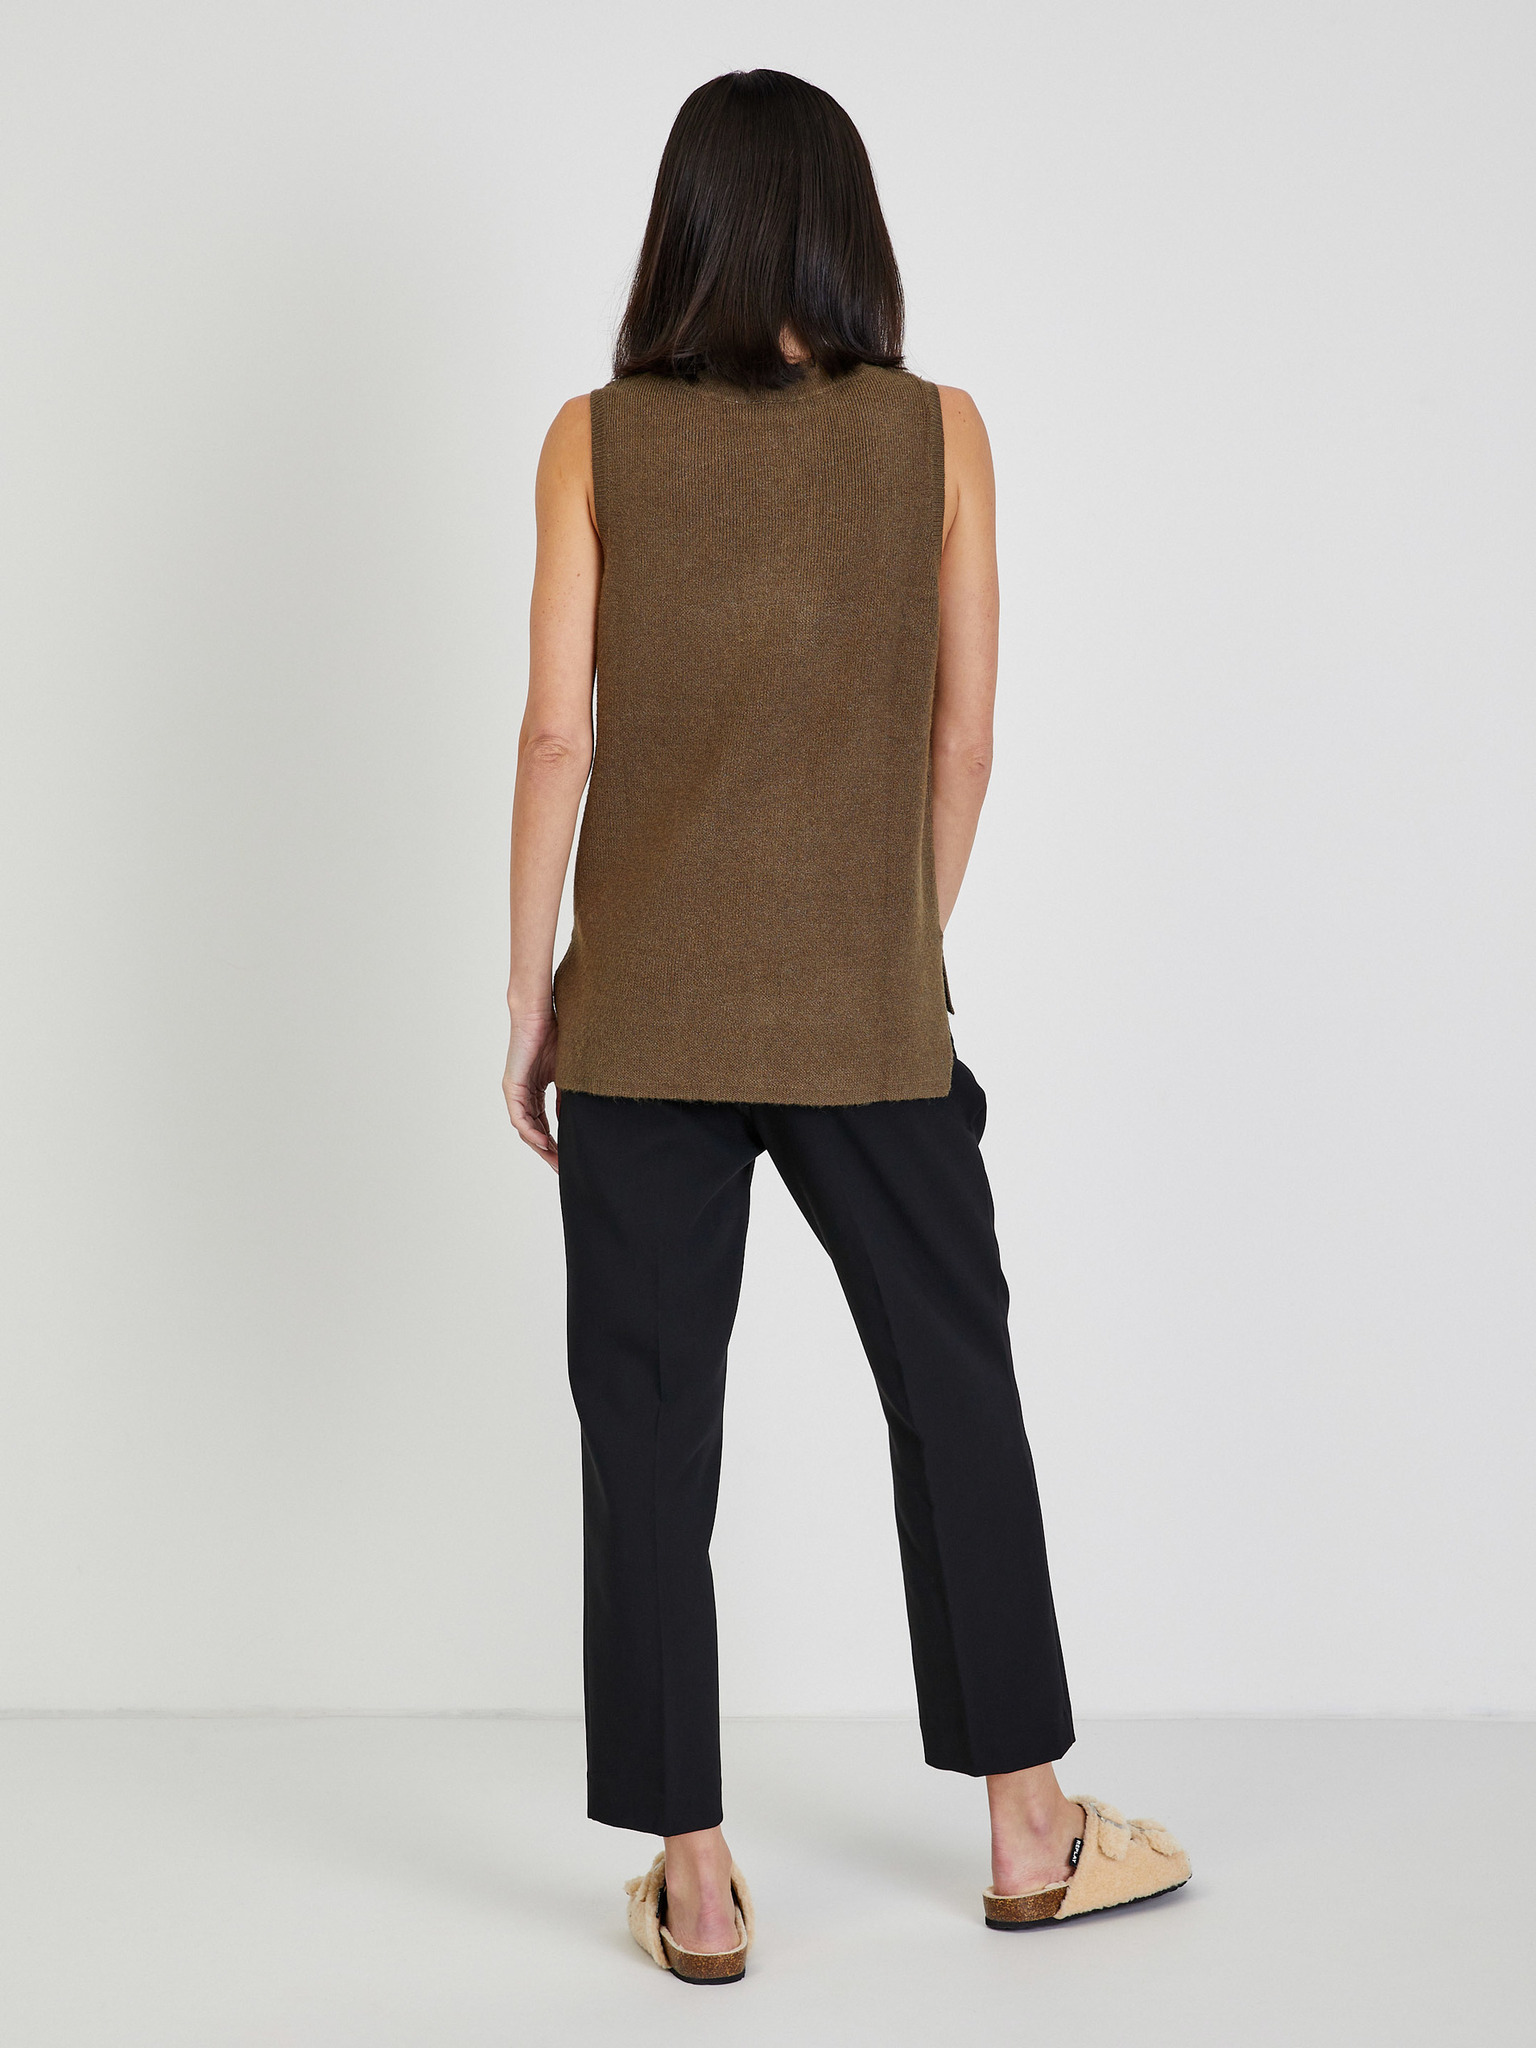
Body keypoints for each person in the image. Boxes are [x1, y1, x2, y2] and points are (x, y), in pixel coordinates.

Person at [502, 69, 1189, 1984]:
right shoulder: (943, 432)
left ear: (684, 228)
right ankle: (1031, 1828)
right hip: (871, 1011)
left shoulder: (589, 441)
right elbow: (966, 740)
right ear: (846, 228)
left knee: (649, 1433)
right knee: (953, 1388)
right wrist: (891, 944)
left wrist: (532, 992)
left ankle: (696, 1876)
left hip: (639, 1020)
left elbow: (557, 735)